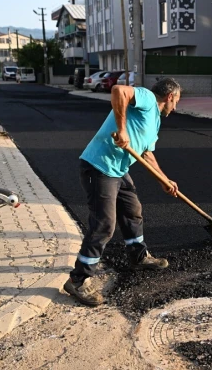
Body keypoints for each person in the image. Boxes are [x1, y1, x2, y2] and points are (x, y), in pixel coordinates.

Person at [64, 77, 182, 306]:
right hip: (99, 167)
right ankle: (78, 280)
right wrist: (121, 129)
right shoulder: (147, 98)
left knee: (133, 210)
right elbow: (119, 91)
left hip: (118, 170)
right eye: (176, 101)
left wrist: (164, 180)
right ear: (170, 97)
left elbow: (147, 154)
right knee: (104, 224)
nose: (176, 107)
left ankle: (138, 256)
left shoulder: (154, 121)